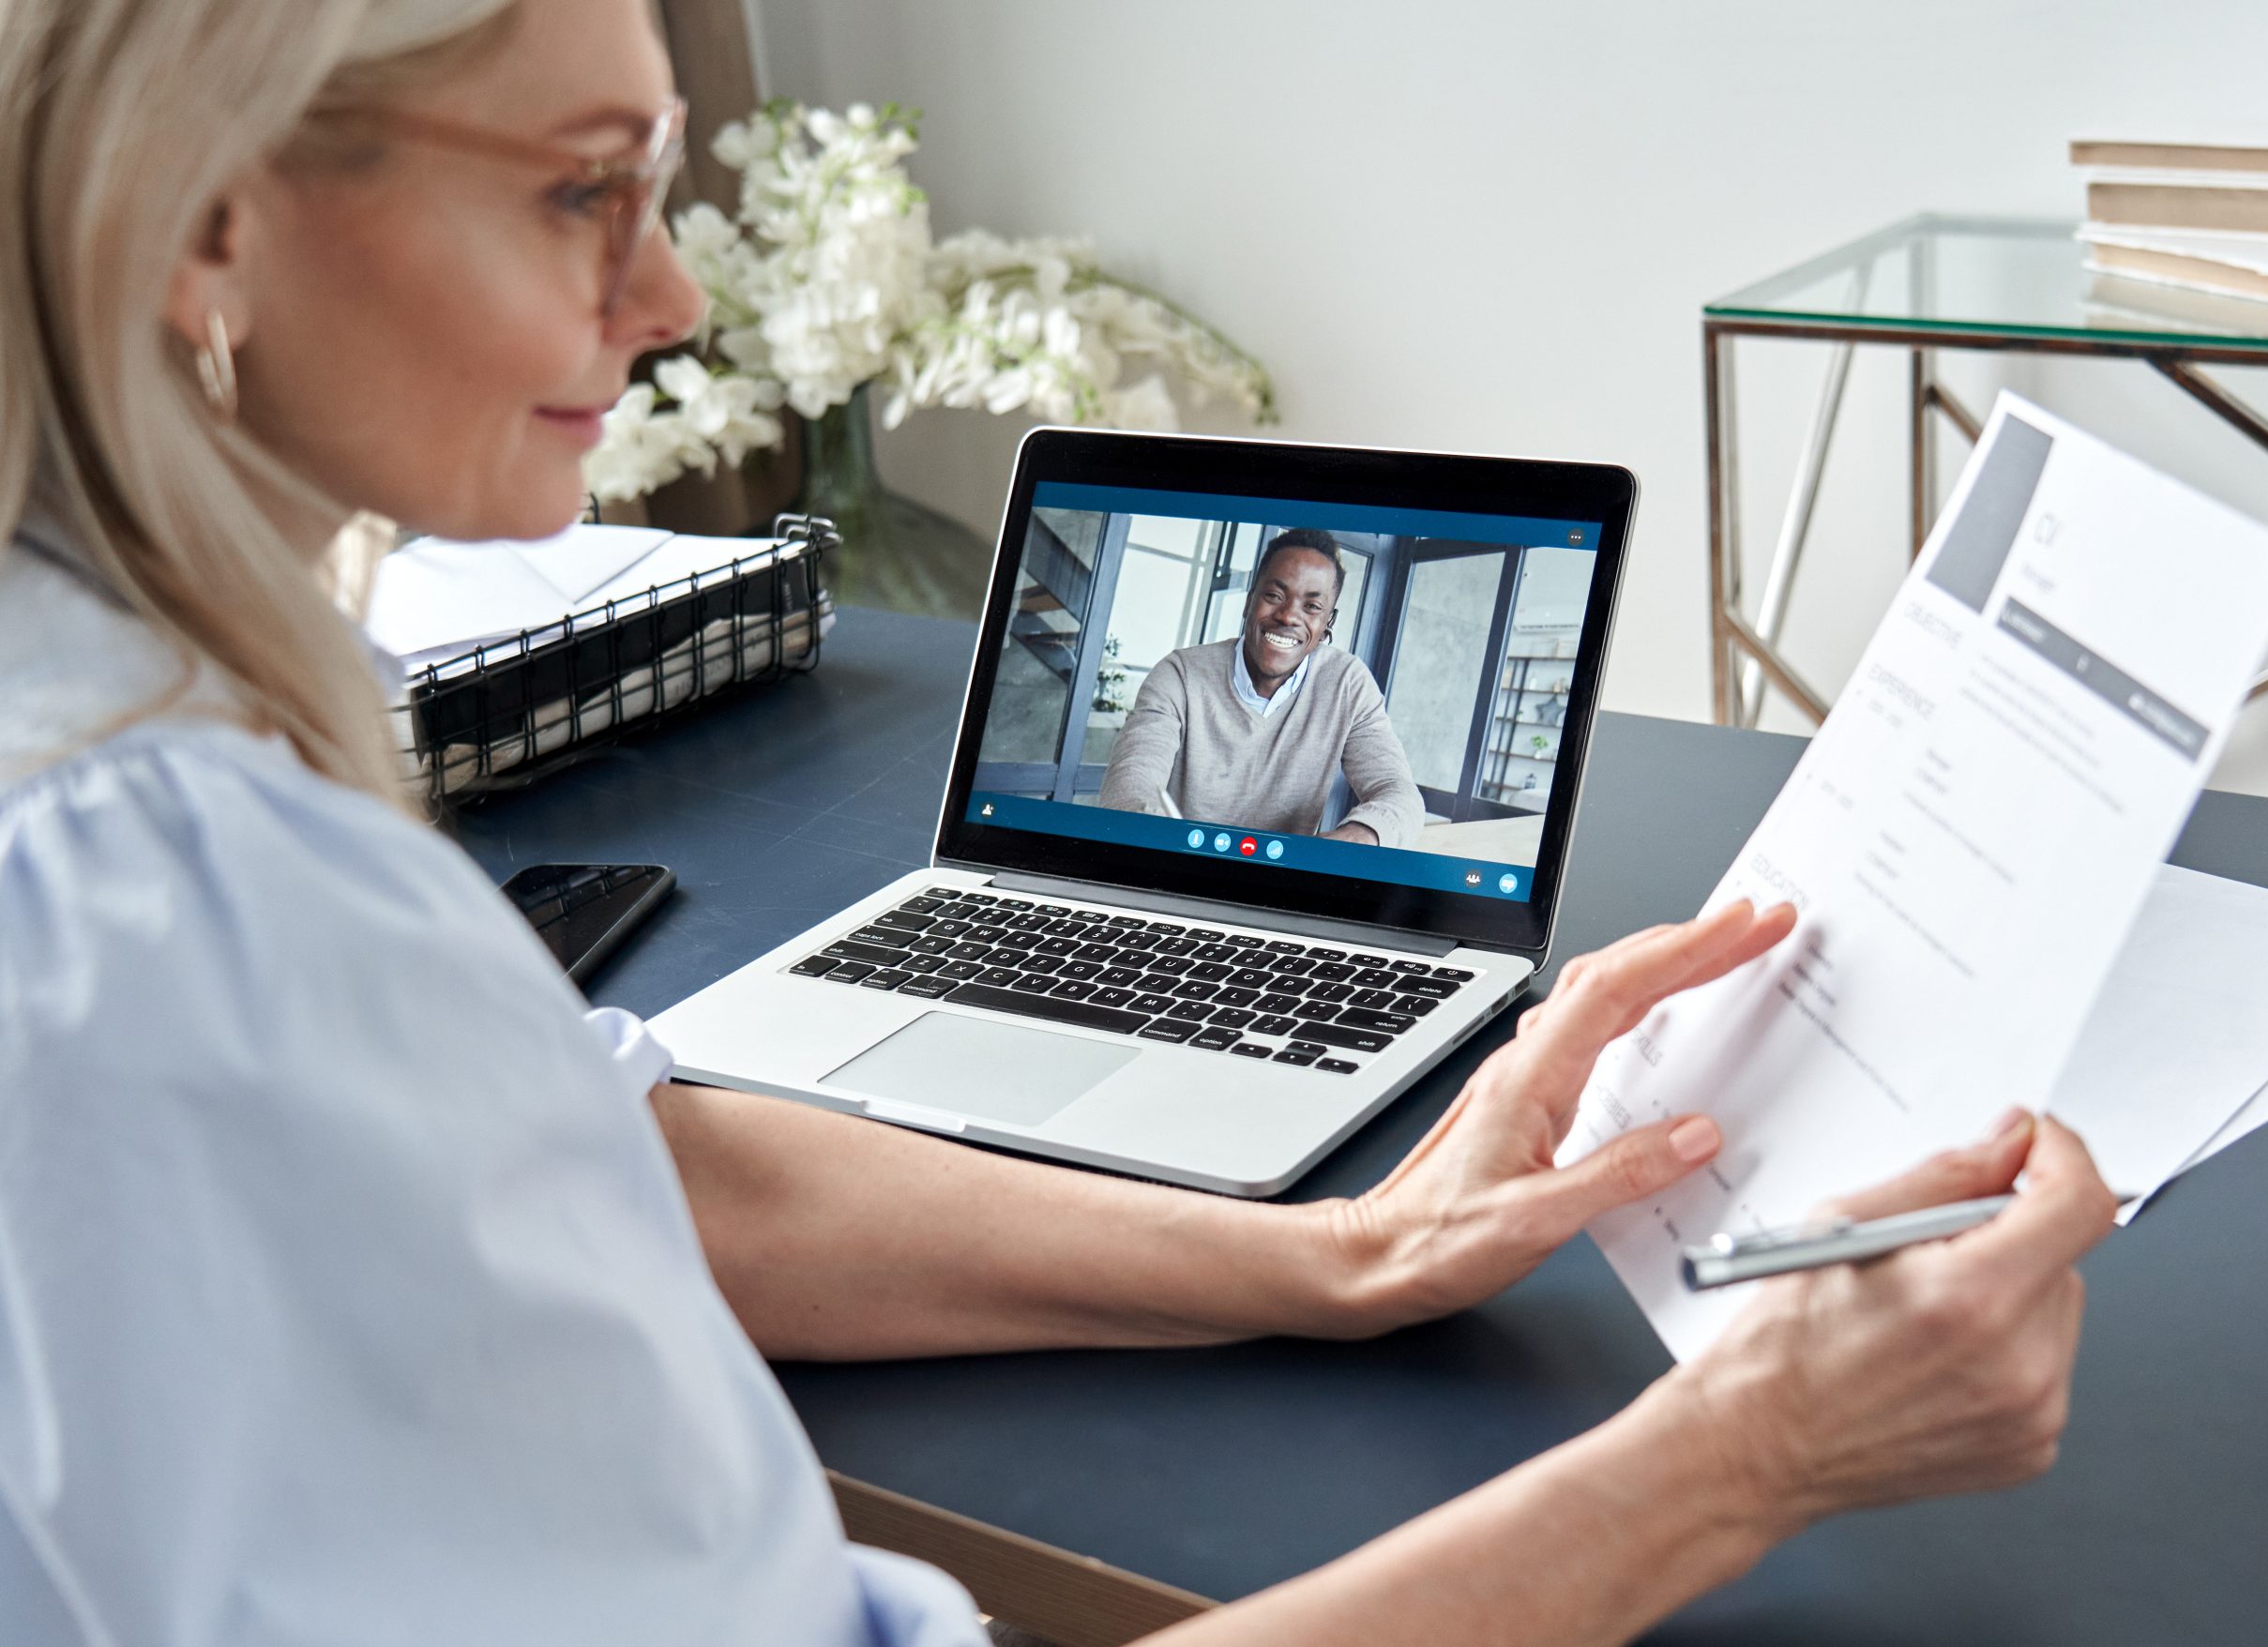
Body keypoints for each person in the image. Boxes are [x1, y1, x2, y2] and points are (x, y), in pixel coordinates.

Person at [0, 3, 2120, 1644]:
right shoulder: (183, 911)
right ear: (207, 209)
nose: (666, 303)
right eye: (583, 193)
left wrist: (1340, 1249)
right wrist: (1746, 1452)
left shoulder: (111, 747)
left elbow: (649, 1151)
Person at [1096, 528, 1426, 846]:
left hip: (1281, 885)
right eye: (1274, 596)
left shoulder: (1348, 685)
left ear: (1328, 623)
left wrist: (1358, 836)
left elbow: (1399, 792)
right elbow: (1130, 785)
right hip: (1178, 868)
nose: (1288, 616)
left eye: (1312, 607)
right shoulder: (1179, 675)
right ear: (1249, 601)